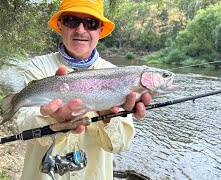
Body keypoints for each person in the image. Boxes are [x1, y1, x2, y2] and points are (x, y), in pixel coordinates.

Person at [16, 0, 152, 179]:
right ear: (59, 25)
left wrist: (108, 116)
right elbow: (22, 124)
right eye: (72, 20)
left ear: (100, 30)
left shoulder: (121, 76)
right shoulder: (38, 67)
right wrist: (50, 118)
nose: (81, 30)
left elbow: (119, 145)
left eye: (91, 23)